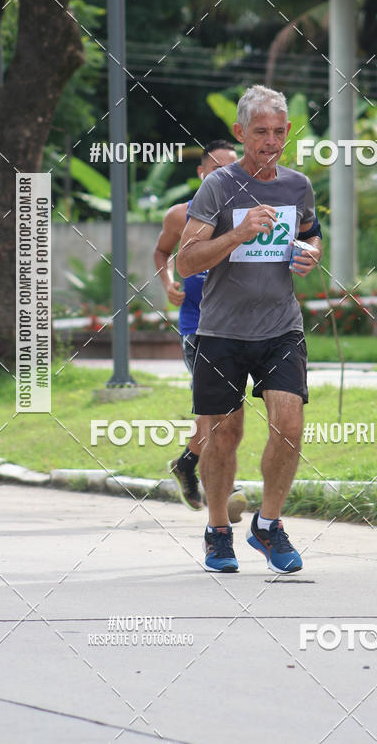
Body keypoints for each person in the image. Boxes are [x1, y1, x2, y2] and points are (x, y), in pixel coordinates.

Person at [176, 85, 322, 574]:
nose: (271, 141)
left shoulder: (297, 186)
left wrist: (312, 254)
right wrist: (237, 233)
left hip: (281, 326)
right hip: (221, 331)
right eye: (261, 132)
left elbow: (309, 232)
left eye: (280, 132)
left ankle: (268, 524)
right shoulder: (217, 187)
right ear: (240, 133)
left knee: (291, 424)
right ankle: (219, 530)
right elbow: (184, 262)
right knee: (224, 435)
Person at [153, 140, 238, 510]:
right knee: (221, 411)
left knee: (220, 410)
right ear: (201, 173)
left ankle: (188, 463)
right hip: (197, 328)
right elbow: (161, 252)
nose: (224, 176)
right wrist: (168, 282)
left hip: (241, 327)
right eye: (216, 169)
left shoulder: (245, 215)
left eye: (231, 170)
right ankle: (223, 490)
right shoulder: (179, 215)